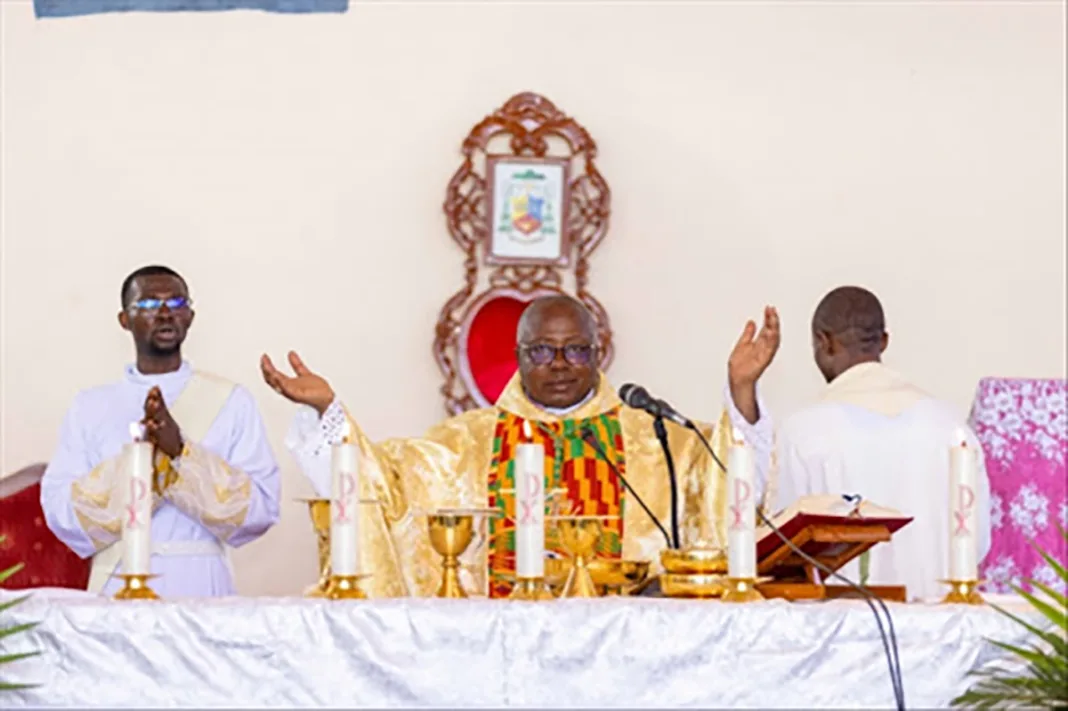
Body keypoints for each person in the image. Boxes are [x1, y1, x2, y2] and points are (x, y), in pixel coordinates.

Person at [262, 294, 780, 598]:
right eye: (542, 350)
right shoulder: (466, 440)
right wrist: (326, 412)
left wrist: (742, 392)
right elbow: (382, 485)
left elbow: (721, 481)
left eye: (575, 349)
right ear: (517, 355)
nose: (559, 363)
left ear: (597, 354)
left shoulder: (655, 438)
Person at [40, 265, 280, 597]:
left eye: (177, 303)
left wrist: (181, 452)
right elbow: (61, 513)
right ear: (125, 320)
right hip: (117, 581)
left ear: (191, 317)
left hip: (201, 582)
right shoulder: (90, 406)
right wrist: (148, 461)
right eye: (150, 304)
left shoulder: (231, 401)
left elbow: (262, 510)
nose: (166, 313)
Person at [775, 285, 991, 601]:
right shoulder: (950, 426)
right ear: (884, 341)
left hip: (842, 629)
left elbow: (786, 550)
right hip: (940, 626)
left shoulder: (804, 430)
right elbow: (977, 541)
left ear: (823, 342)